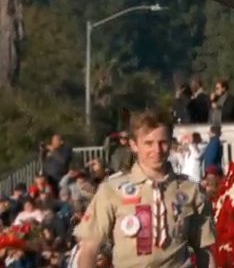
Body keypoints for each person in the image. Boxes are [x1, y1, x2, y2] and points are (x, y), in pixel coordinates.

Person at [74, 109, 216, 268]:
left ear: (171, 142)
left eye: (163, 142)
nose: (157, 150)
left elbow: (204, 250)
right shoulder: (112, 190)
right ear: (134, 145)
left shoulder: (190, 191)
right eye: (148, 143)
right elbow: (89, 248)